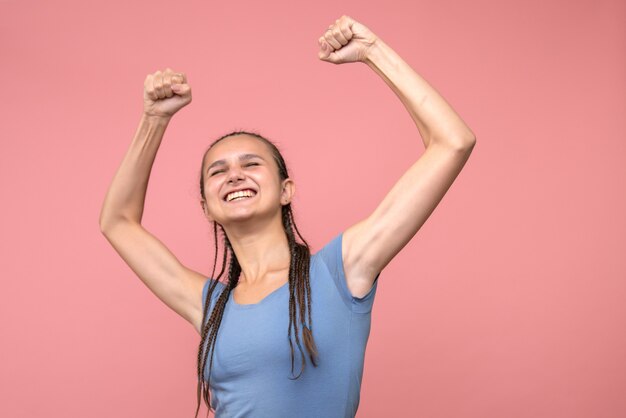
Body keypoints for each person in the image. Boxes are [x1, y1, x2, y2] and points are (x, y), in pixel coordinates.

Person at [99, 14, 476, 418]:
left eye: (251, 164)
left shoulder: (341, 271)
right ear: (207, 206)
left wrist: (372, 52)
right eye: (218, 170)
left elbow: (452, 142)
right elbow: (117, 221)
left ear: (286, 190)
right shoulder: (209, 304)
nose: (235, 175)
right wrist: (154, 120)